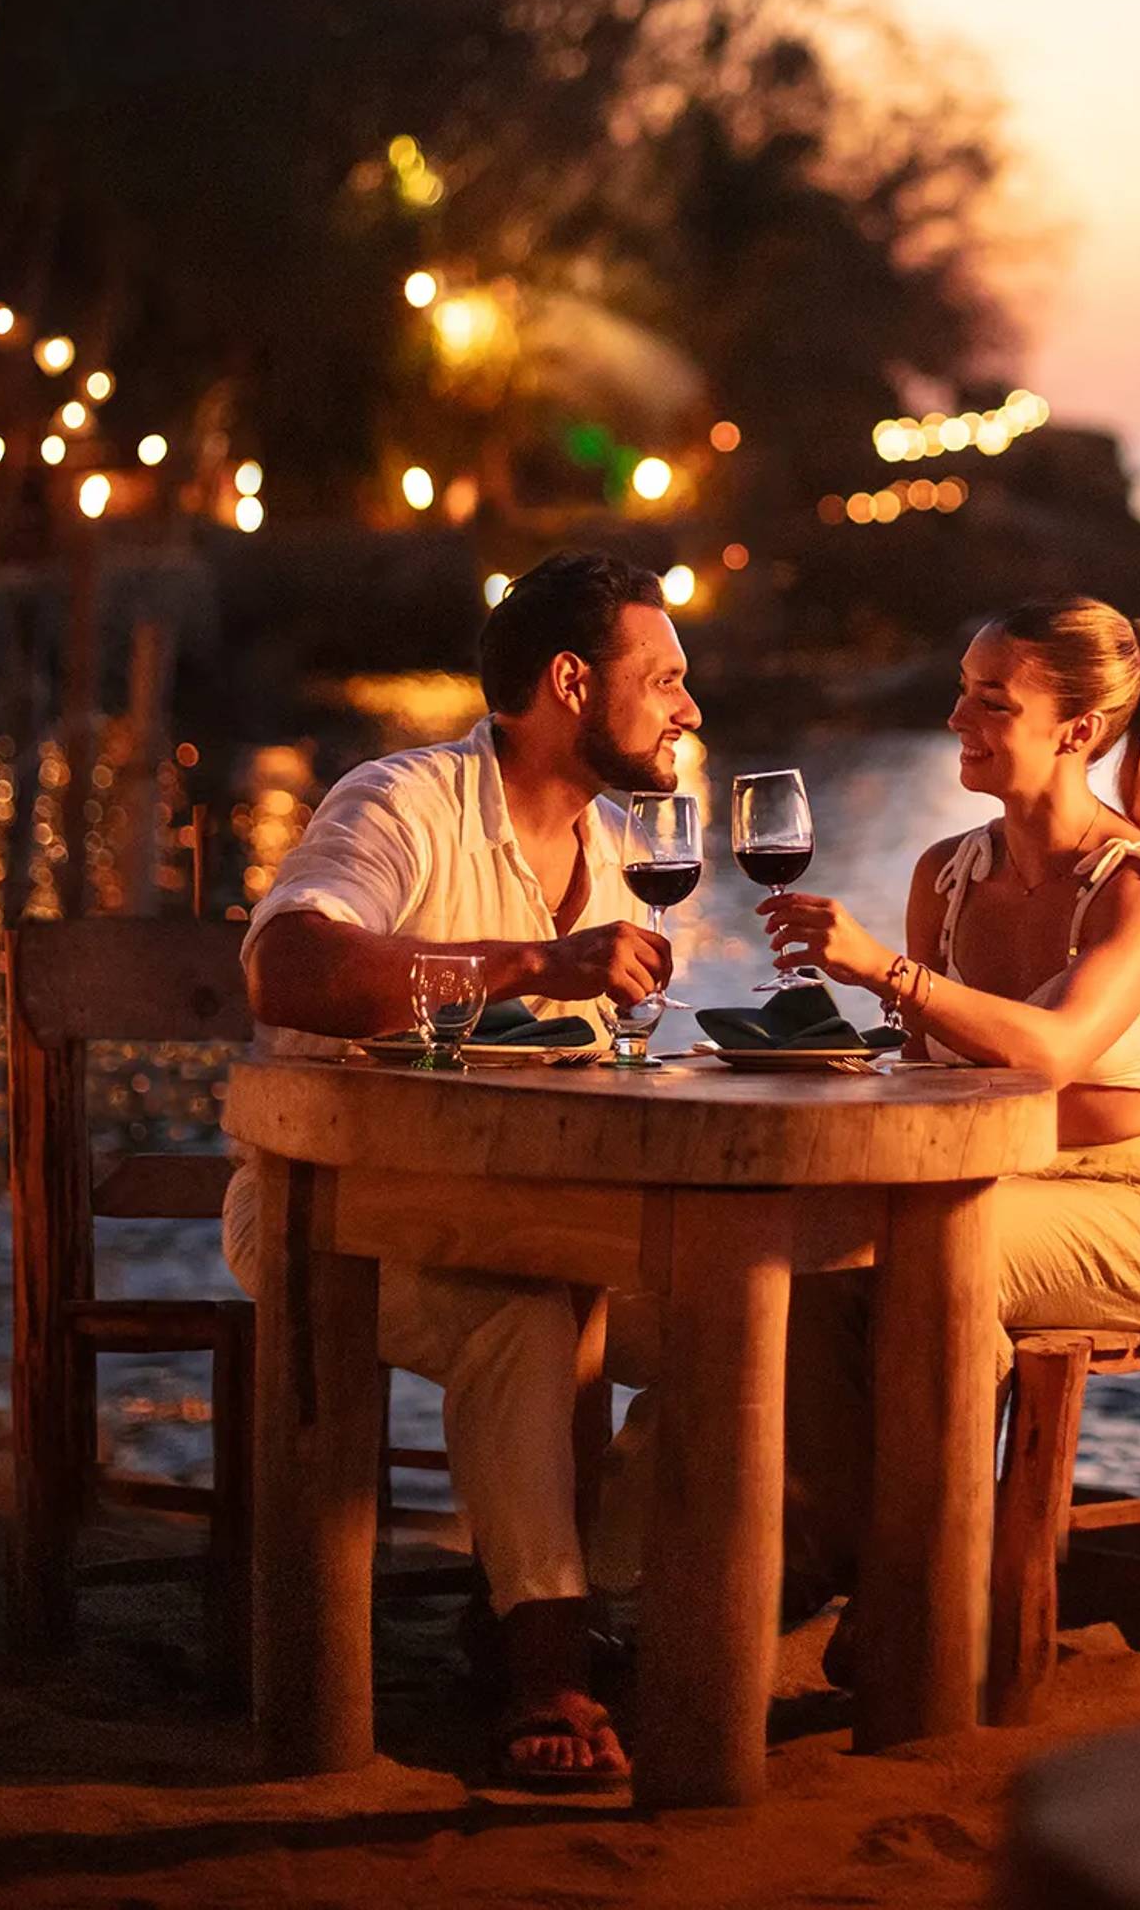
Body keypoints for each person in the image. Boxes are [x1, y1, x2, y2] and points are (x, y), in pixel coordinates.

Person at [230, 549, 697, 1787]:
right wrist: (532, 967)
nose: (688, 709)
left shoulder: (621, 862)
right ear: (567, 681)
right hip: (328, 1213)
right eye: (663, 679)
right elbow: (291, 972)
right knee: (526, 1325)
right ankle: (545, 1664)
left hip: (529, 1214)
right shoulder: (404, 803)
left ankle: (603, 1598)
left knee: (749, 1320)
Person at [756, 595, 1140, 1630]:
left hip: (1131, 1213)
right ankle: (832, 1562)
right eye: (961, 695)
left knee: (942, 1257)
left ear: (1077, 729)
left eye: (990, 702)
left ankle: (920, 1602)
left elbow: (1054, 1051)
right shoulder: (949, 874)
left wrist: (885, 970)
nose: (959, 721)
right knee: (802, 1262)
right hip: (972, 1187)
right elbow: (931, 1070)